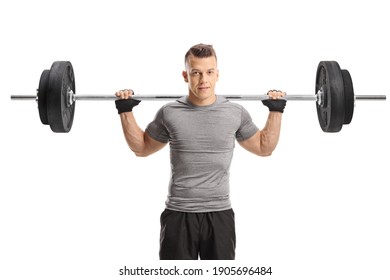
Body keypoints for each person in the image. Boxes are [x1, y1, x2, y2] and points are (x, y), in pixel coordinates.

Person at [114, 43, 286, 260]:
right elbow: (141, 148)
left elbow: (264, 148)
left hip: (220, 215)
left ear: (217, 75)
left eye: (209, 72)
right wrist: (125, 109)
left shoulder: (235, 113)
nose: (203, 79)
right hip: (178, 214)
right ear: (185, 76)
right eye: (196, 73)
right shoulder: (169, 113)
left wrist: (276, 109)